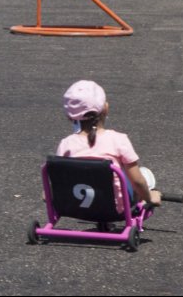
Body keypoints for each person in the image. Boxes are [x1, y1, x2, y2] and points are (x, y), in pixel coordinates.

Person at [57, 80, 162, 209]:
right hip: (116, 208)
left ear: (69, 117)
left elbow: (56, 187)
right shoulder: (118, 140)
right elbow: (137, 181)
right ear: (106, 108)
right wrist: (149, 197)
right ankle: (145, 197)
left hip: (79, 206)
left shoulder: (65, 145)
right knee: (144, 175)